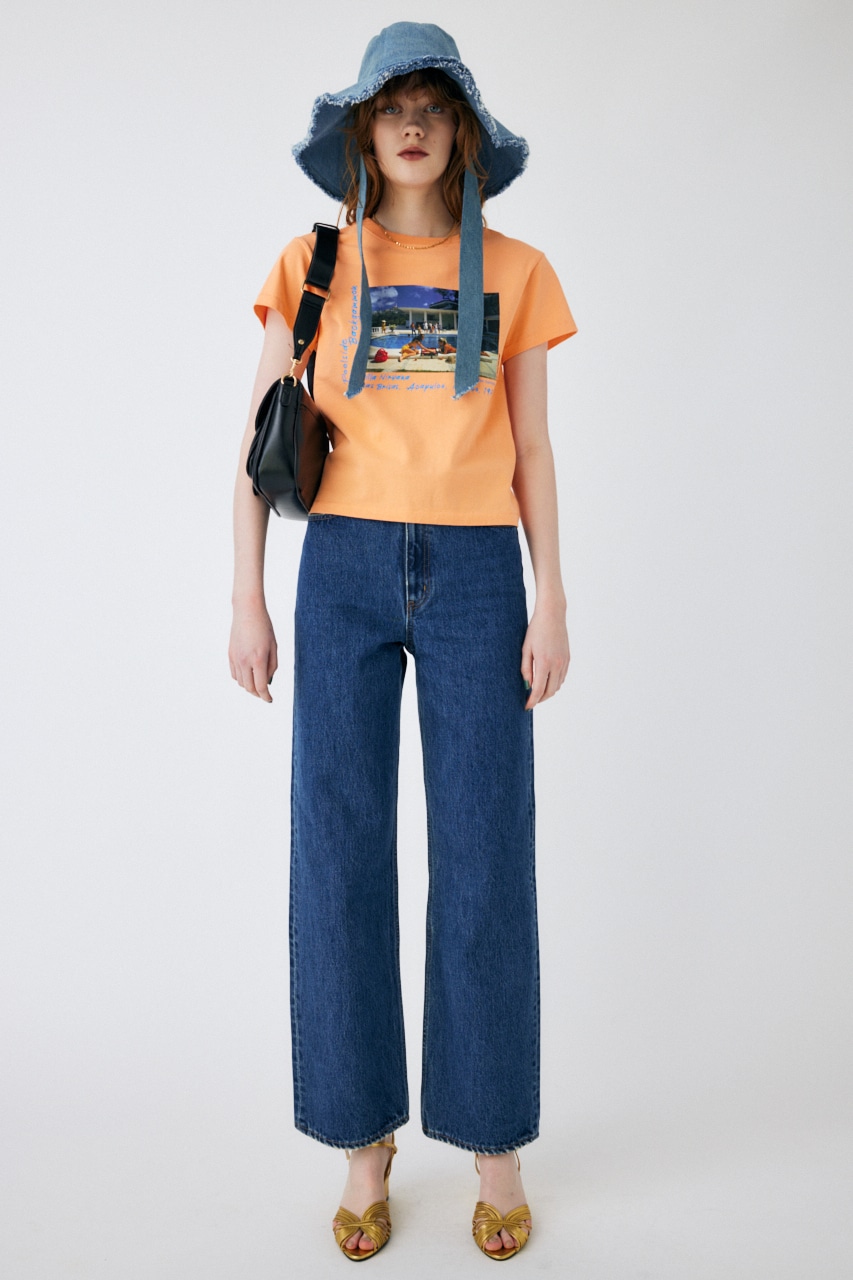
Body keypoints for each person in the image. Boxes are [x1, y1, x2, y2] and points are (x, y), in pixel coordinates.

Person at [228, 22, 577, 1263]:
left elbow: (532, 446)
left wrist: (551, 595)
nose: (413, 125)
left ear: (461, 131)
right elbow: (259, 442)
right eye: (392, 107)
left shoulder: (517, 270)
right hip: (343, 567)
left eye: (433, 105)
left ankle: (492, 1140)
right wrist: (246, 595)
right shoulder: (315, 262)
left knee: (484, 851)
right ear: (363, 134)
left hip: (479, 572)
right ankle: (361, 1141)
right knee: (339, 850)